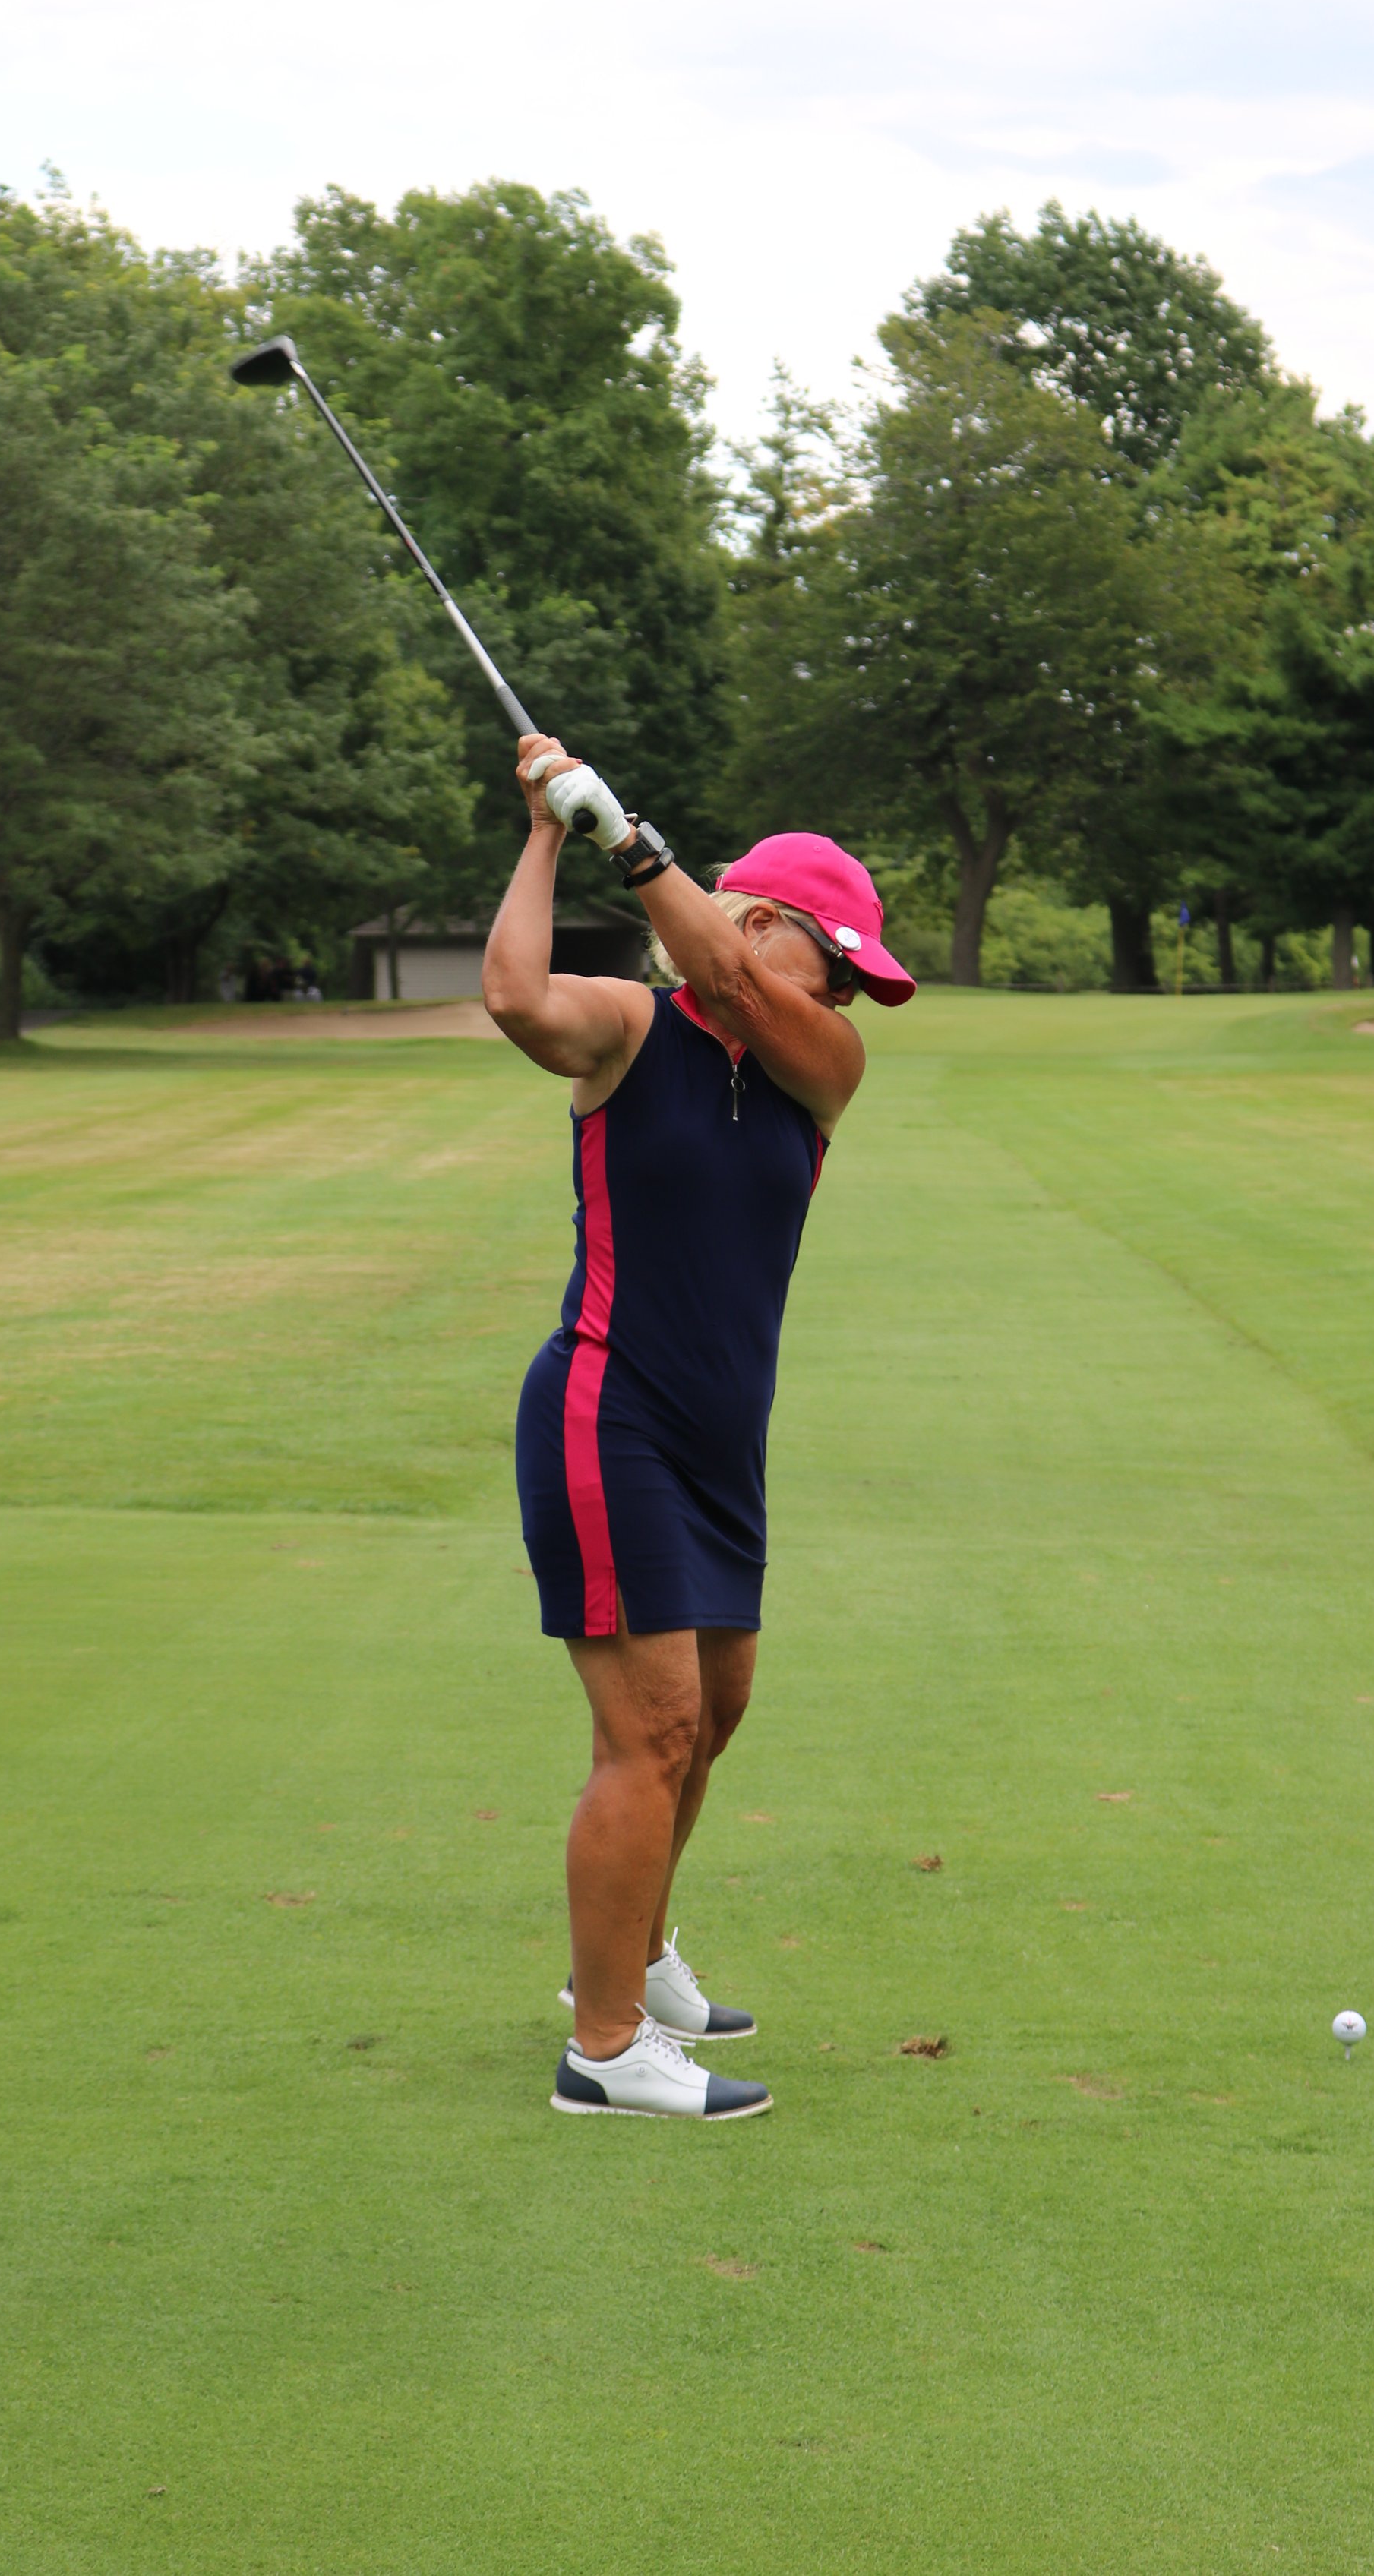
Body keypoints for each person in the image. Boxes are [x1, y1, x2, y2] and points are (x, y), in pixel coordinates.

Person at [483, 735, 915, 2121]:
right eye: (834, 963)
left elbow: (729, 985)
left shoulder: (821, 1067)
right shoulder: (628, 1026)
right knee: (654, 1728)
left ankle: (636, 1952)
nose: (843, 994)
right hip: (610, 1412)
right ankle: (605, 2048)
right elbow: (513, 995)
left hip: (726, 1443)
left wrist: (631, 836)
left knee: (713, 1713)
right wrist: (552, 832)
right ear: (762, 920)